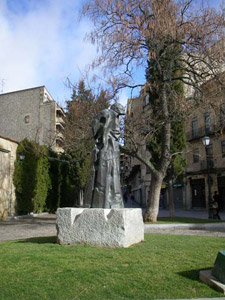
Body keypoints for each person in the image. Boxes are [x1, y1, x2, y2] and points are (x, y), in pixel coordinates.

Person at [84, 102, 125, 208]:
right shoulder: (107, 113)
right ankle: (106, 202)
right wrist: (102, 136)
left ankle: (111, 201)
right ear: (116, 109)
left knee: (112, 174)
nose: (119, 119)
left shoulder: (112, 116)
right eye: (119, 115)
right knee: (105, 173)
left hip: (112, 147)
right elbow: (94, 123)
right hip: (107, 147)